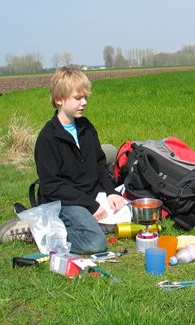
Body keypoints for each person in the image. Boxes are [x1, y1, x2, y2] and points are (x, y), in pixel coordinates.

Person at [32, 67, 126, 254]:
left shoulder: (86, 127)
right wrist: (91, 206)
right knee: (95, 243)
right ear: (59, 99)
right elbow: (52, 187)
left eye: (85, 98)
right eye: (78, 98)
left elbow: (100, 164)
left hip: (91, 195)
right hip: (66, 201)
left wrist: (111, 192)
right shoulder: (48, 138)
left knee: (129, 214)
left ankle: (92, 223)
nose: (84, 103)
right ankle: (41, 232)